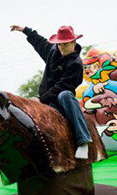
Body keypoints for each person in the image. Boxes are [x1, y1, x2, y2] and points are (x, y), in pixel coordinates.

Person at [11, 25, 92, 159]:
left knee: (65, 94)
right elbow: (39, 41)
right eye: (59, 44)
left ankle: (83, 141)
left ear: (73, 42)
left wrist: (41, 99)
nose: (62, 47)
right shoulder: (52, 51)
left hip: (62, 100)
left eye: (65, 44)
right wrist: (24, 30)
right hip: (45, 98)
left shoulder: (75, 64)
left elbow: (61, 86)